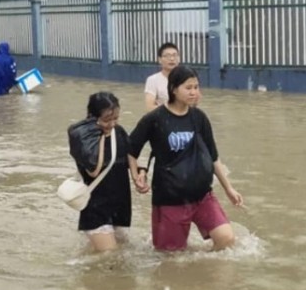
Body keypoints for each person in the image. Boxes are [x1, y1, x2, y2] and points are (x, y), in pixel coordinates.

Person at [129, 65, 244, 252]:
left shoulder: (199, 118)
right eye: (188, 88)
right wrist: (137, 176)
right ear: (174, 89)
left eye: (196, 87)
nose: (194, 92)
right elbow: (131, 149)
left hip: (202, 195)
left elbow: (214, 156)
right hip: (170, 198)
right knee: (171, 256)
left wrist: (229, 188)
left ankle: (203, 273)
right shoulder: (155, 119)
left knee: (226, 238)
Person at [67, 92, 146, 252]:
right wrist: (102, 134)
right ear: (92, 117)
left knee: (122, 252)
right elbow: (93, 168)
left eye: (115, 118)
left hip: (120, 205)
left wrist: (138, 175)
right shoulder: (83, 137)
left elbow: (130, 155)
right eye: (107, 119)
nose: (112, 124)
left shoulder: (119, 132)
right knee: (110, 256)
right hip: (96, 208)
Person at [144, 42, 201, 111]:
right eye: (167, 56)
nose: (171, 59)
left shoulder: (187, 77)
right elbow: (150, 107)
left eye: (175, 55)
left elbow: (195, 102)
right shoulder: (153, 80)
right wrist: (174, 112)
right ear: (159, 59)